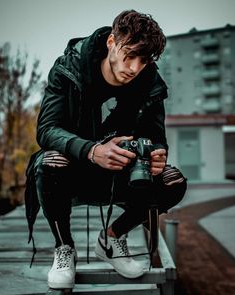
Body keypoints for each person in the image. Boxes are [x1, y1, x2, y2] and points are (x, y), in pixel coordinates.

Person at [25, 9, 187, 289]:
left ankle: (112, 237)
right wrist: (92, 150)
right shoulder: (68, 69)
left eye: (144, 60)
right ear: (112, 42)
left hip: (121, 174)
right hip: (71, 171)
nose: (135, 68)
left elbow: (156, 137)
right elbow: (47, 130)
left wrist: (158, 154)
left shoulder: (151, 84)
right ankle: (64, 248)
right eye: (130, 55)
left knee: (174, 182)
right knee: (47, 161)